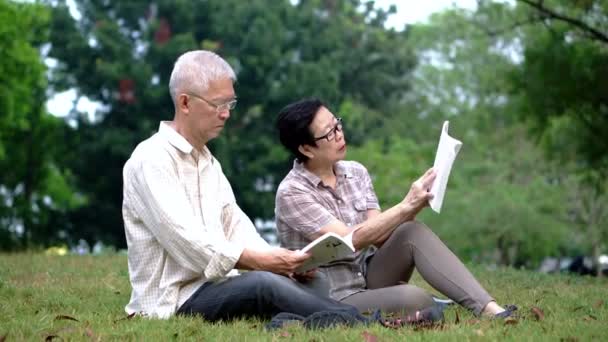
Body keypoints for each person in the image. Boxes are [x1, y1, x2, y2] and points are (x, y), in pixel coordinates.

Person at [121, 51, 364, 321]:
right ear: (185, 103)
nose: (226, 114)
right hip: (175, 302)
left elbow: (235, 226)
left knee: (311, 282)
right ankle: (362, 321)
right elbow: (188, 241)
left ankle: (305, 322)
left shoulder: (208, 163)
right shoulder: (151, 159)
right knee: (262, 284)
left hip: (216, 287)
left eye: (231, 103)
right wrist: (264, 263)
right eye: (218, 104)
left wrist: (281, 261)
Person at [274, 98, 516, 318]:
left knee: (411, 231)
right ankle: (431, 302)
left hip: (370, 273)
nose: (339, 134)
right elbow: (347, 241)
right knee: (416, 298)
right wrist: (406, 204)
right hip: (335, 296)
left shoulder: (355, 172)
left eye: (337, 124)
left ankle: (491, 310)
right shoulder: (293, 192)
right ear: (306, 149)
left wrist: (415, 204)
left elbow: (380, 236)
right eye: (329, 133)